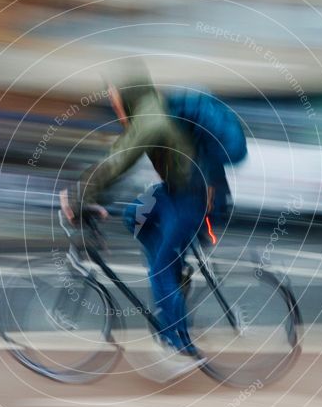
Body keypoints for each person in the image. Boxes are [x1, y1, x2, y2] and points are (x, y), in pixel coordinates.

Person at [60, 63, 245, 355]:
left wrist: (79, 194)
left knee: (160, 269)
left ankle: (178, 346)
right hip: (175, 190)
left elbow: (120, 160)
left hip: (192, 196)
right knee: (134, 215)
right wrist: (93, 195)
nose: (112, 102)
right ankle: (176, 277)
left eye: (112, 95)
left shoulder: (151, 119)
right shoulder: (146, 115)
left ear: (125, 93)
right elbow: (119, 155)